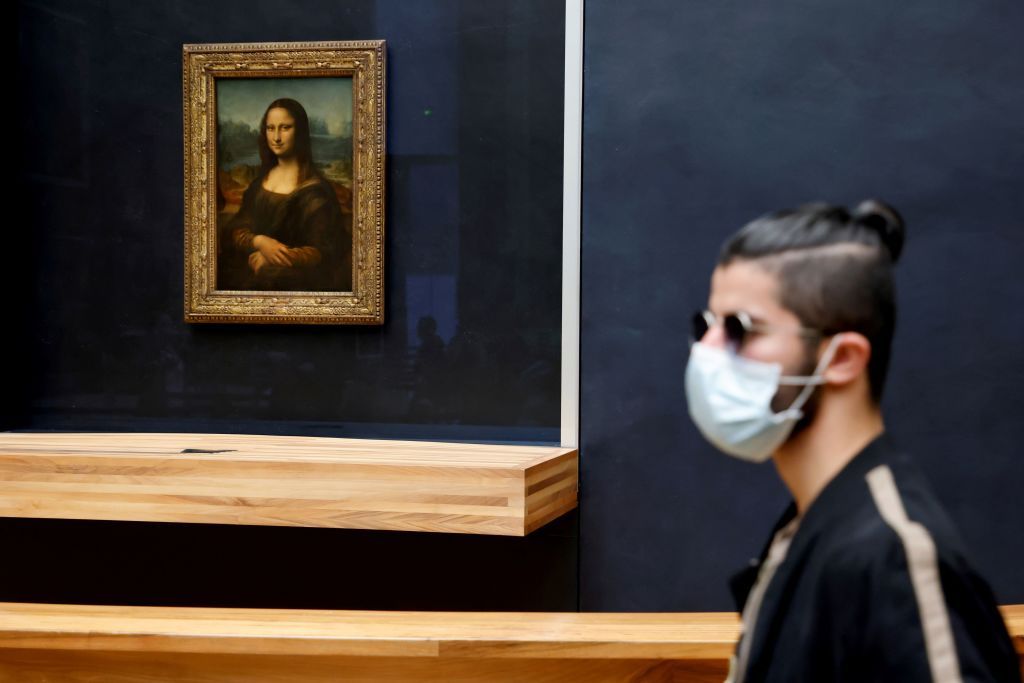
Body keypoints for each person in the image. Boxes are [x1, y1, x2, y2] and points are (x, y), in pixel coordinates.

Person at [684, 201, 1020, 682]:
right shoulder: (802, 533)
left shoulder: (896, 557)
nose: (707, 351)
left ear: (842, 357)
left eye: (739, 328)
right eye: (707, 326)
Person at [219, 98, 351, 292]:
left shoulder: (317, 191)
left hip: (296, 281)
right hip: (249, 270)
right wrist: (260, 242)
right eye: (270, 128)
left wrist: (274, 257)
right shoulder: (259, 184)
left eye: (285, 127)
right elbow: (235, 229)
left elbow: (324, 251)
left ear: (300, 132)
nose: (276, 137)